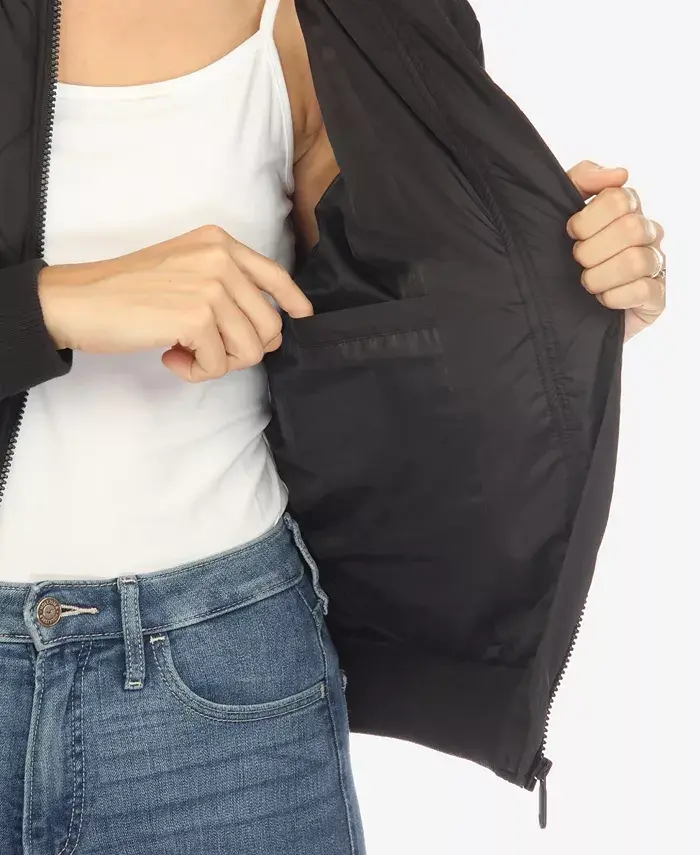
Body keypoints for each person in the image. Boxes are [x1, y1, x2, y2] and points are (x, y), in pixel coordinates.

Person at [0, 1, 667, 853]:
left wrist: (554, 302)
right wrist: (50, 305)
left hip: (220, 681)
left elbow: (392, 338)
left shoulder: (307, 18)